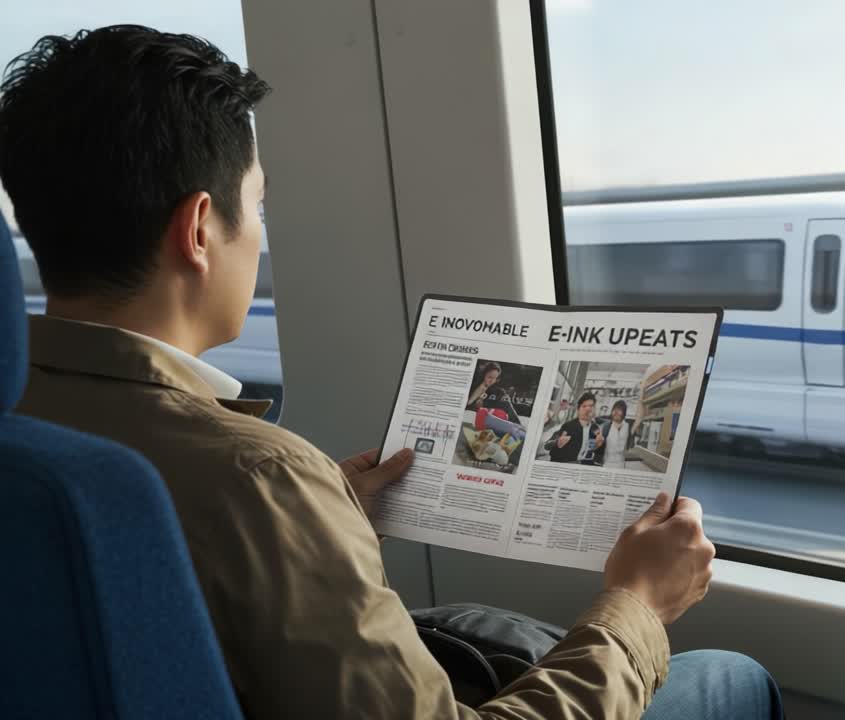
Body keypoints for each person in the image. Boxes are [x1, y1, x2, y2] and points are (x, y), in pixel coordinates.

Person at [0, 25, 782, 720]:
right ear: (200, 228)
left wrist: (324, 514)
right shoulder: (256, 477)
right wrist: (637, 605)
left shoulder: (26, 421)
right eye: (259, 207)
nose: (259, 238)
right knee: (729, 676)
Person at [546, 392, 604, 464]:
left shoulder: (595, 428)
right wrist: (557, 442)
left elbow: (596, 450)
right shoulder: (568, 426)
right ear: (578, 409)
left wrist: (598, 445)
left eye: (591, 406)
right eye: (584, 406)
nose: (588, 409)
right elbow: (547, 445)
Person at [596, 399, 635, 469]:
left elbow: (639, 418)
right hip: (606, 464)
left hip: (621, 465)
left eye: (619, 409)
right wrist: (598, 443)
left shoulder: (628, 426)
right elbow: (599, 446)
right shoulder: (606, 426)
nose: (616, 412)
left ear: (624, 413)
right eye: (614, 409)